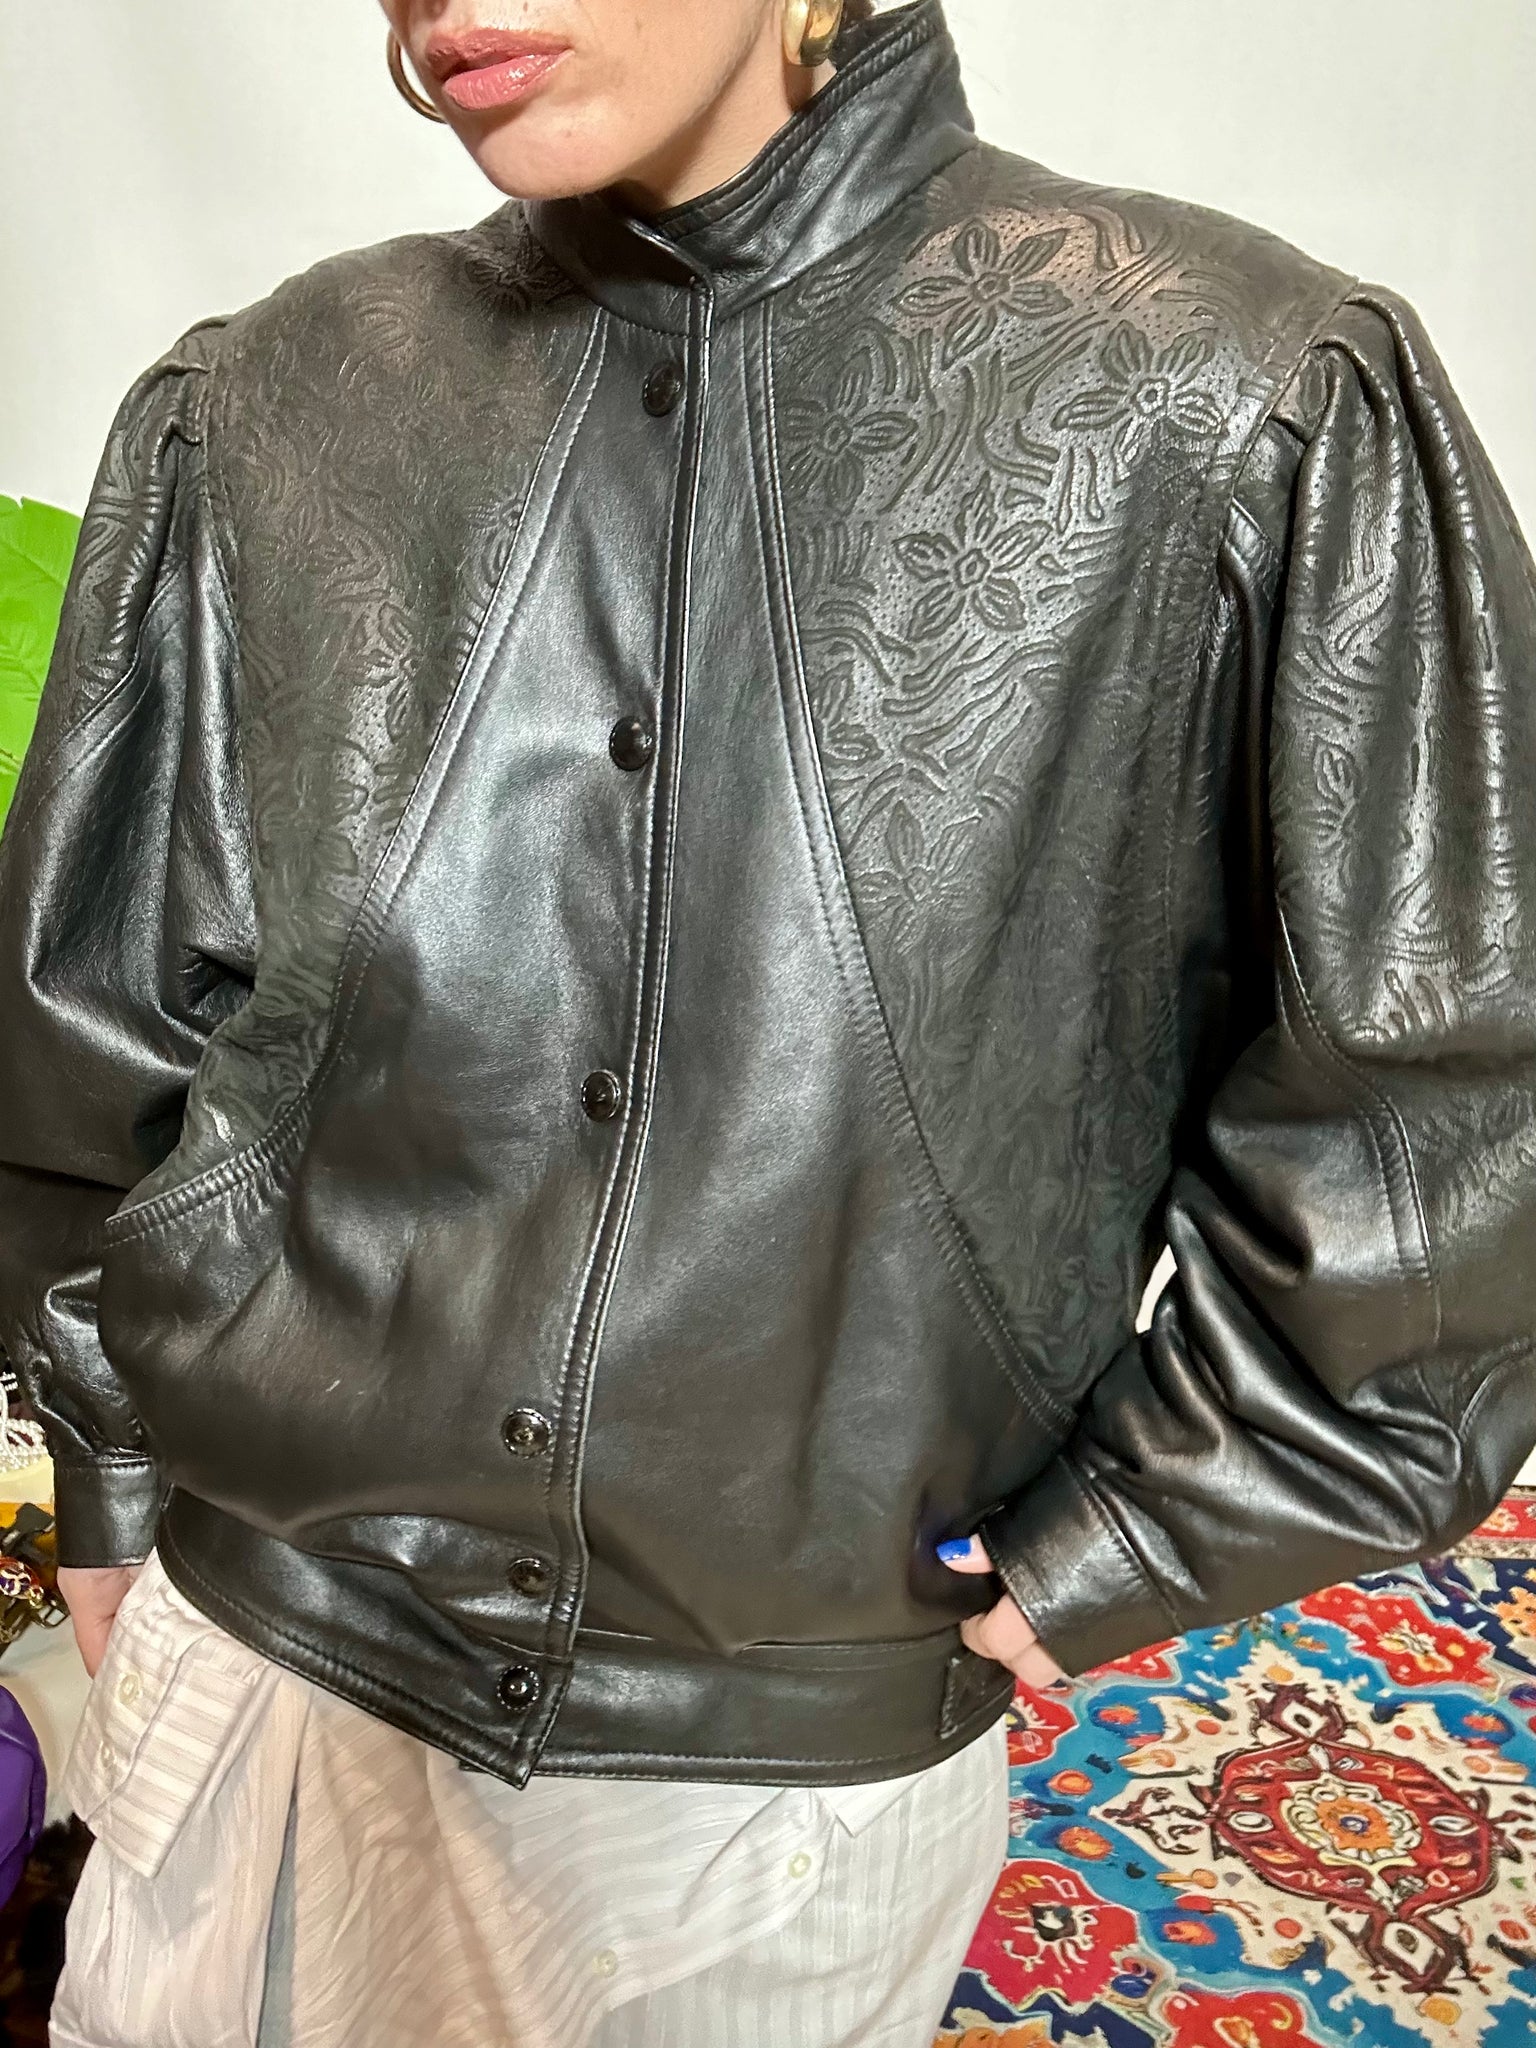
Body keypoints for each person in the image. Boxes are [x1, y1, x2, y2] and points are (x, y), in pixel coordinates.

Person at [2, 0, 1534, 2039]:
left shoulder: (1241, 396)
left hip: (773, 1780)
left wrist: (1147, 1529)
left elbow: (1444, 1105)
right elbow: (96, 1027)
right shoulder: (270, 398)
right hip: (254, 1649)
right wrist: (108, 1478)